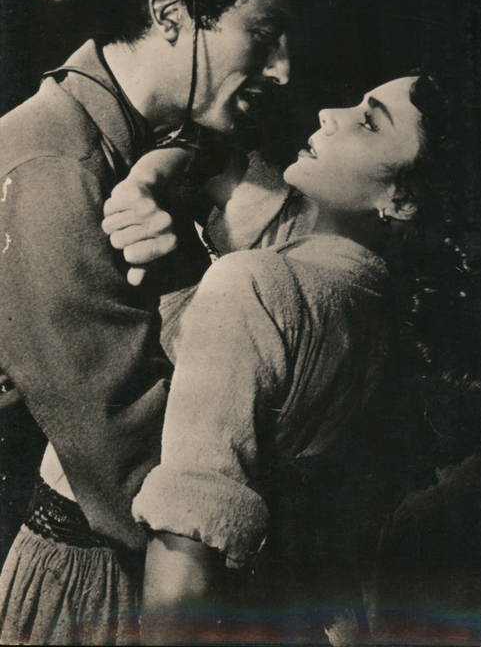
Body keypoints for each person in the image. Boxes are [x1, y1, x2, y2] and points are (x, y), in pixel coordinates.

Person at [0, 0, 385, 646]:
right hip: (114, 587)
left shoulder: (147, 136)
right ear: (170, 15)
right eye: (262, 34)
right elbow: (121, 458)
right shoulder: (54, 163)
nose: (282, 71)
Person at [100, 73, 452, 644]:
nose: (330, 112)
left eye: (368, 121)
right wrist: (148, 175)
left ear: (402, 200)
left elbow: (184, 563)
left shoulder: (255, 283)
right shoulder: (375, 298)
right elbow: (219, 161)